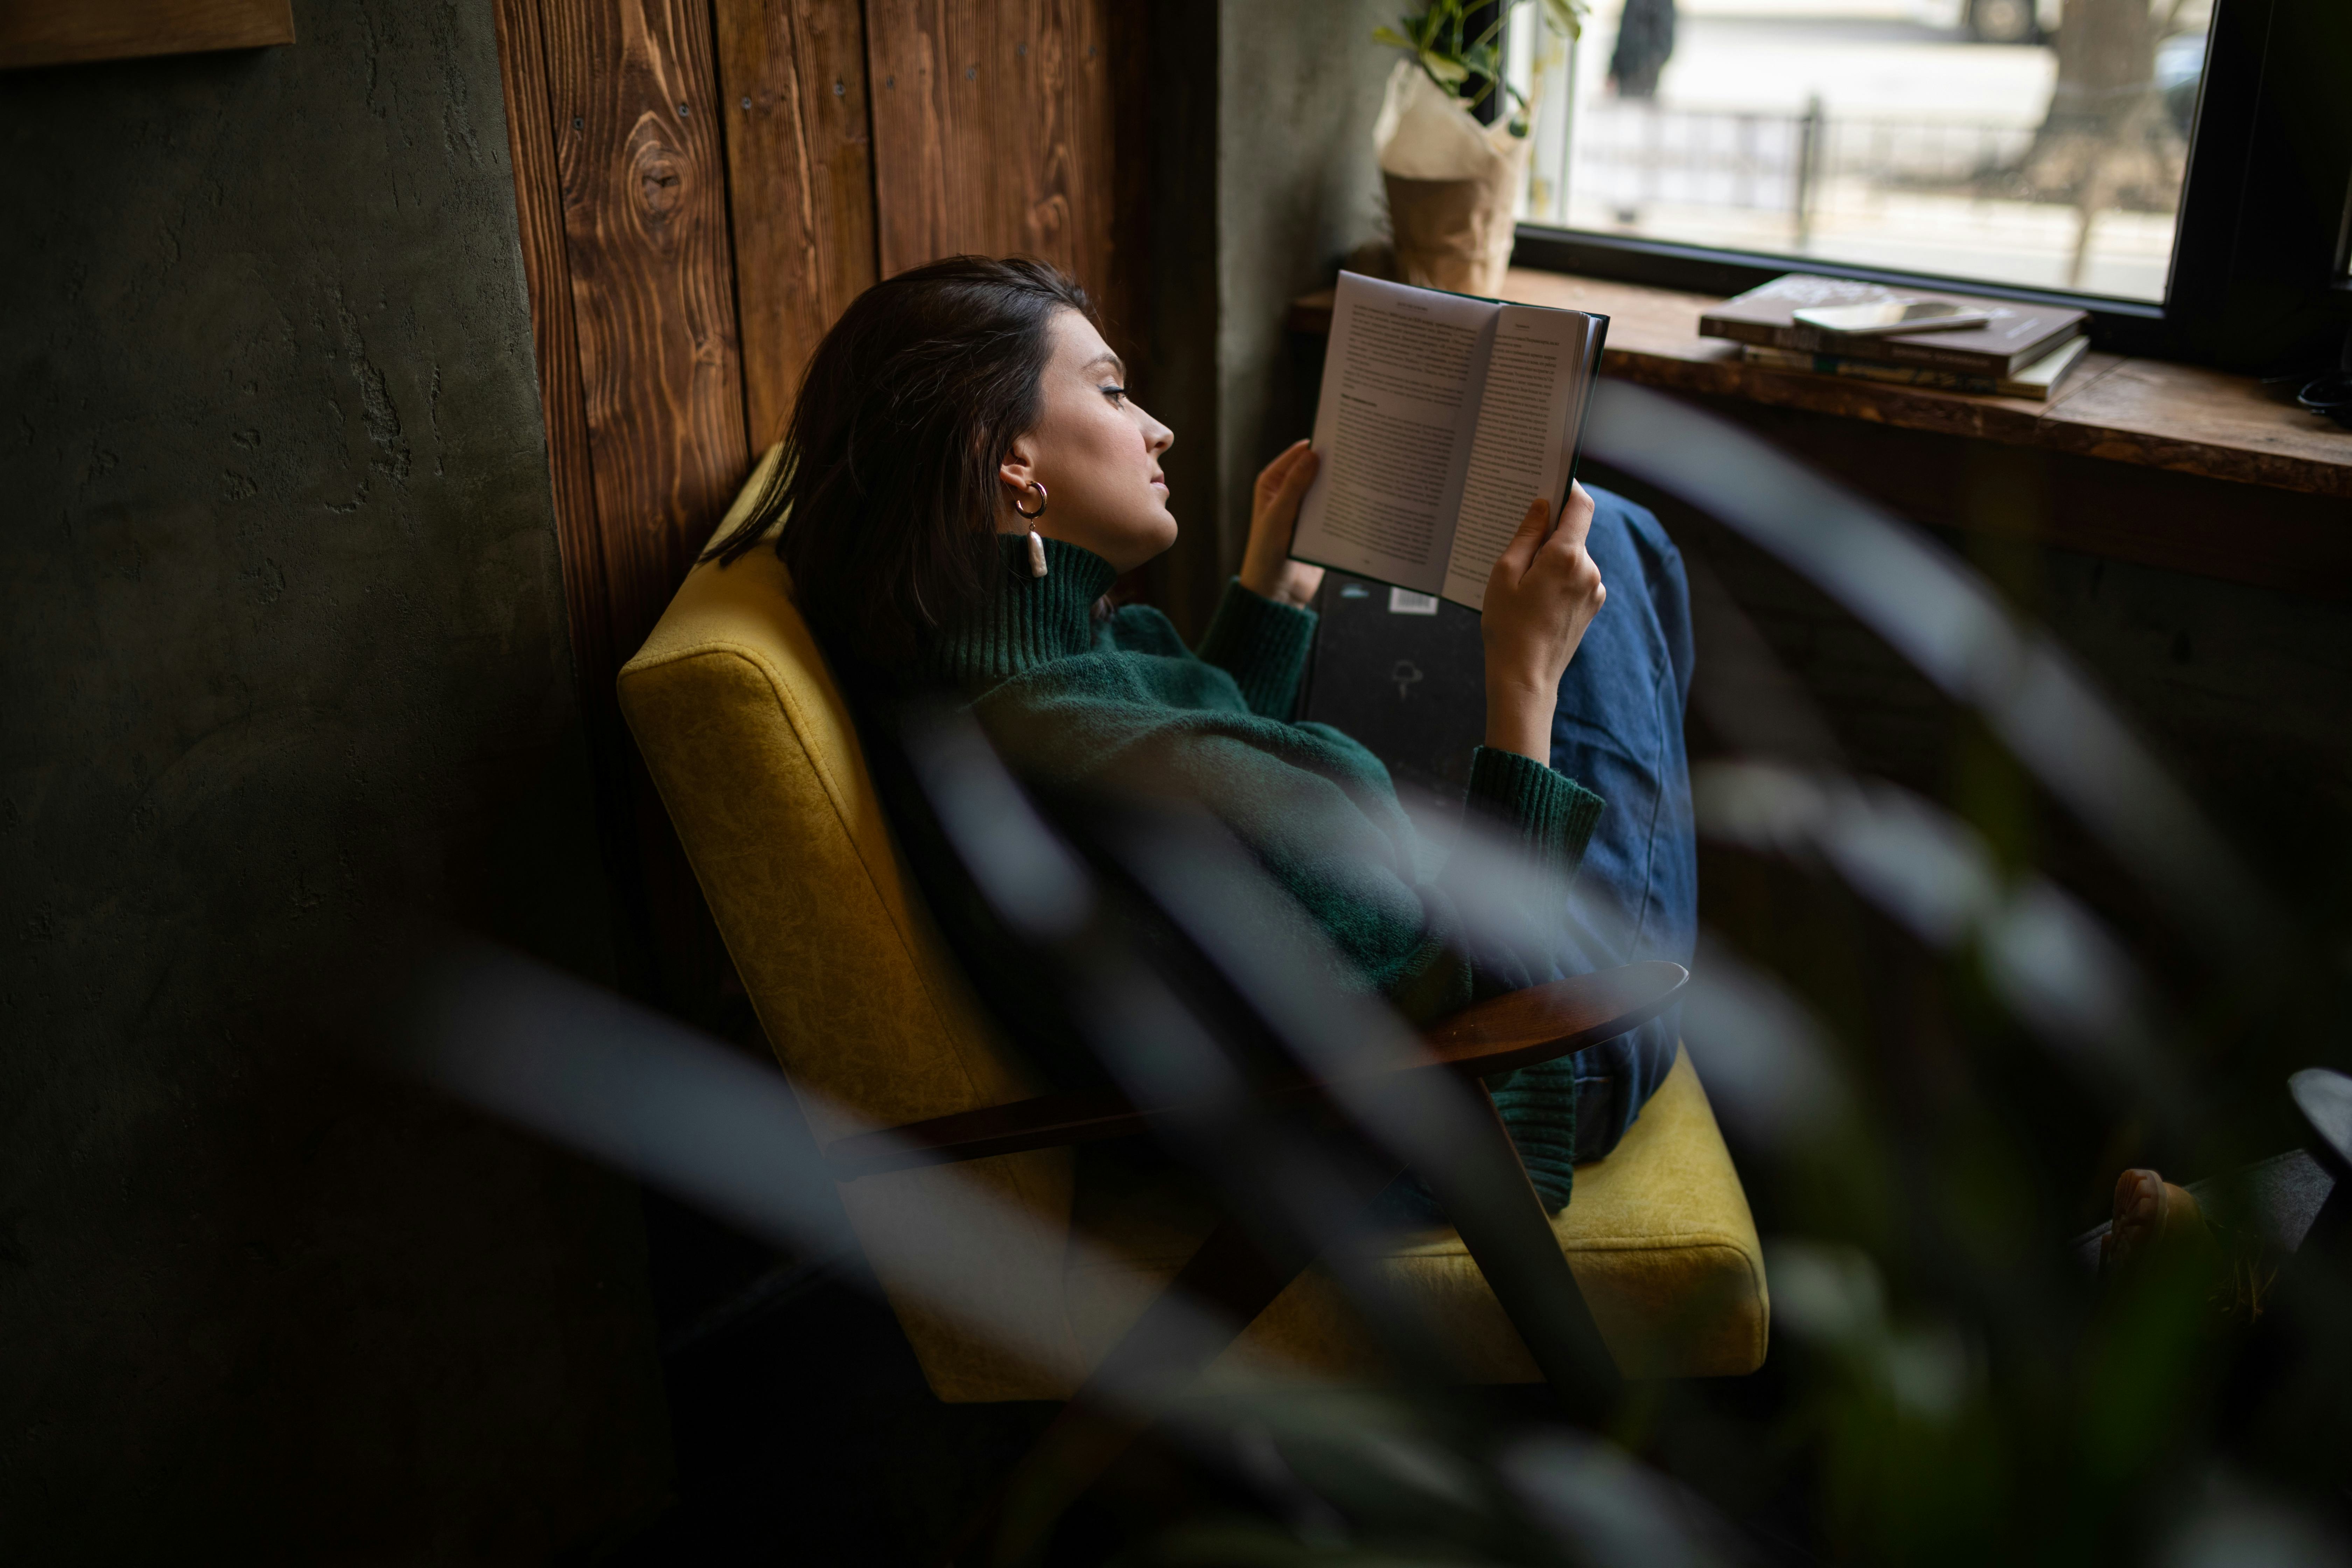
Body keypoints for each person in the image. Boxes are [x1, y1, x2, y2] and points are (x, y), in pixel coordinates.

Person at [707, 256, 1694, 1215]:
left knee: (1597, 549)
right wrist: (1526, 680)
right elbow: (1459, 986)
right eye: (1112, 394)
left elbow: (1196, 754)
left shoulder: (987, 673)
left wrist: (1271, 585)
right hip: (1525, 1059)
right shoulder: (1077, 749)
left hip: (1419, 960)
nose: (1159, 429)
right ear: (1006, 461)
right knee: (1611, 537)